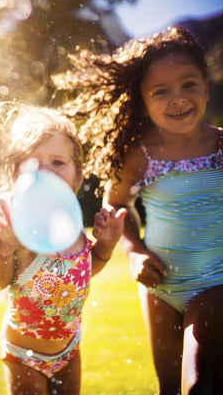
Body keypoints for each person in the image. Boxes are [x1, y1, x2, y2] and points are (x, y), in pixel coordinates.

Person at [53, 25, 223, 394]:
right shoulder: (140, 155)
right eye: (161, 92)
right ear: (143, 102)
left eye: (189, 84)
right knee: (168, 388)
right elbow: (116, 207)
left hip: (216, 285)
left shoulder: (221, 145)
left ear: (206, 88)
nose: (177, 98)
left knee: (198, 384)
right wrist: (134, 253)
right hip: (159, 286)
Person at [0, 105, 126, 394]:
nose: (45, 173)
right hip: (24, 354)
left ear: (77, 174)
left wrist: (107, 244)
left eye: (57, 162)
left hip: (69, 348)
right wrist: (6, 252)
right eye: (32, 164)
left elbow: (84, 271)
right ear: (14, 173)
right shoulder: (17, 225)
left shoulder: (73, 224)